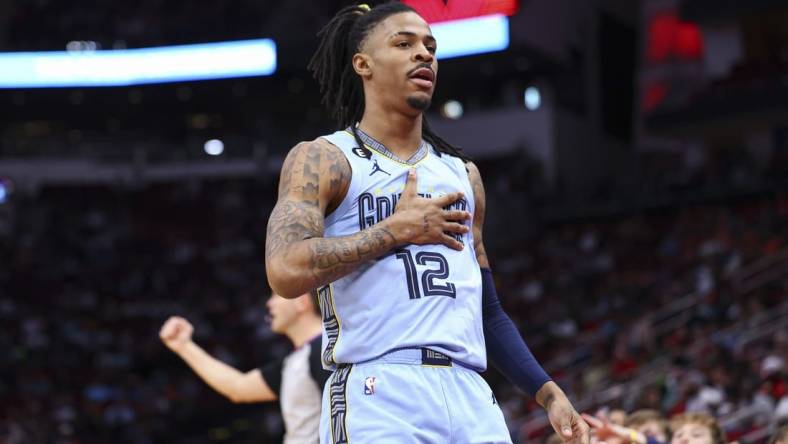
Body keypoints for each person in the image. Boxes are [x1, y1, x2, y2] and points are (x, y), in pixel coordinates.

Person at [264, 2, 589, 443]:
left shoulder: (463, 175)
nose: (424, 54)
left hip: (471, 392)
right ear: (363, 64)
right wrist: (395, 231)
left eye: (430, 47)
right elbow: (285, 269)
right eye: (404, 43)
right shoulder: (325, 158)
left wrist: (547, 393)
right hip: (379, 389)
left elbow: (487, 311)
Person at [159, 292, 327, 444]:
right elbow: (239, 387)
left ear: (302, 301)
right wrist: (183, 345)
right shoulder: (298, 359)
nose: (269, 303)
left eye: (276, 295)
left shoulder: (327, 351)